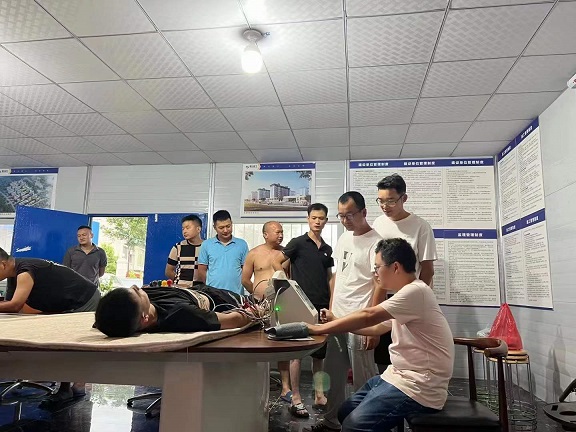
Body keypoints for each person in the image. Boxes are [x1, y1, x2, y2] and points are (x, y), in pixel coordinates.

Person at [304, 238, 454, 432]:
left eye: (377, 268)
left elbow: (369, 316)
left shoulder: (415, 292)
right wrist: (336, 322)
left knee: (353, 426)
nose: (375, 274)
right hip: (399, 375)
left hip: (420, 385)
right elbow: (376, 328)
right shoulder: (405, 294)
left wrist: (319, 329)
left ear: (395, 267)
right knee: (346, 411)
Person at [306, 192, 382, 431]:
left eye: (349, 215)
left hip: (360, 320)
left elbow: (380, 283)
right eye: (341, 216)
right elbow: (338, 276)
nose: (345, 220)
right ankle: (331, 421)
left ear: (364, 212)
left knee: (364, 378)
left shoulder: (377, 242)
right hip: (337, 318)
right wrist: (330, 308)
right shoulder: (344, 238)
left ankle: (365, 425)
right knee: (333, 374)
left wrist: (373, 324)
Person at [0, 247, 101, 405]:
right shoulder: (14, 275)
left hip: (84, 299)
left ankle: (73, 386)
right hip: (65, 303)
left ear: (2, 265)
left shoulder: (25, 270)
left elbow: (15, 305)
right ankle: (62, 381)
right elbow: (11, 308)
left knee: (70, 344)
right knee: (60, 341)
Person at [272, 203, 334, 418]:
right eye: (314, 217)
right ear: (308, 219)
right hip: (301, 304)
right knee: (297, 353)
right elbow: (277, 261)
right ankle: (296, 398)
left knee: (320, 355)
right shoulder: (298, 243)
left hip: (322, 305)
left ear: (326, 221)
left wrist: (331, 303)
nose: (317, 221)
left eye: (321, 218)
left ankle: (319, 395)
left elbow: (329, 277)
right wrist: (289, 286)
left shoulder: (327, 248)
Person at [372, 174, 437, 372]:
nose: (385, 206)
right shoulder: (378, 224)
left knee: (409, 353)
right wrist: (375, 307)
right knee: (383, 353)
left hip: (409, 299)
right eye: (381, 201)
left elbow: (428, 270)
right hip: (385, 297)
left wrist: (416, 298)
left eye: (391, 200)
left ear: (404, 198)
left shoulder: (421, 226)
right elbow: (377, 270)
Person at [241, 221, 292, 404]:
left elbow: (290, 278)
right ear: (265, 234)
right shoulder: (254, 253)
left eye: (282, 232)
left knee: (283, 343)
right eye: (277, 232)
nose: (281, 235)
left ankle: (285, 387)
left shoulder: (286, 253)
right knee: (258, 342)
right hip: (260, 305)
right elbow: (245, 279)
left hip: (282, 303)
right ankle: (256, 383)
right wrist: (258, 293)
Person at [94, 284, 253, 337]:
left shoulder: (115, 317)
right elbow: (235, 320)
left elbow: (103, 319)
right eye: (137, 293)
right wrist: (257, 312)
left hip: (192, 289)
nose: (136, 287)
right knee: (257, 301)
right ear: (144, 318)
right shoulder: (181, 314)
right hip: (218, 298)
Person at [196, 210, 249, 295]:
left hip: (236, 294)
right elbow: (202, 270)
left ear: (232, 223)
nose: (225, 230)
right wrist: (209, 288)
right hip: (213, 294)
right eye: (221, 228)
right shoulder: (206, 244)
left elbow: (246, 270)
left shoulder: (242, 244)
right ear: (214, 227)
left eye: (228, 226)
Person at [165, 214, 203, 286]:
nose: (184, 231)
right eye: (183, 229)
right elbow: (168, 271)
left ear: (198, 229)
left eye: (188, 228)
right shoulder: (178, 247)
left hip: (200, 289)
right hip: (181, 290)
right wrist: (180, 282)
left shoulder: (207, 247)